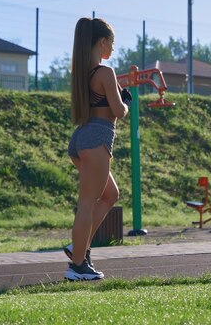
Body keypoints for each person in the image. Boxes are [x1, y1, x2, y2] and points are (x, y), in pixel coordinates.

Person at [64, 17, 132, 281]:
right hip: (98, 138)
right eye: (112, 44)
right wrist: (126, 101)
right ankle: (77, 266)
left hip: (82, 138)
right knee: (86, 203)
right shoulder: (105, 72)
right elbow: (118, 111)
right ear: (102, 42)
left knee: (110, 195)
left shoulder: (83, 73)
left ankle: (78, 248)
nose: (113, 49)